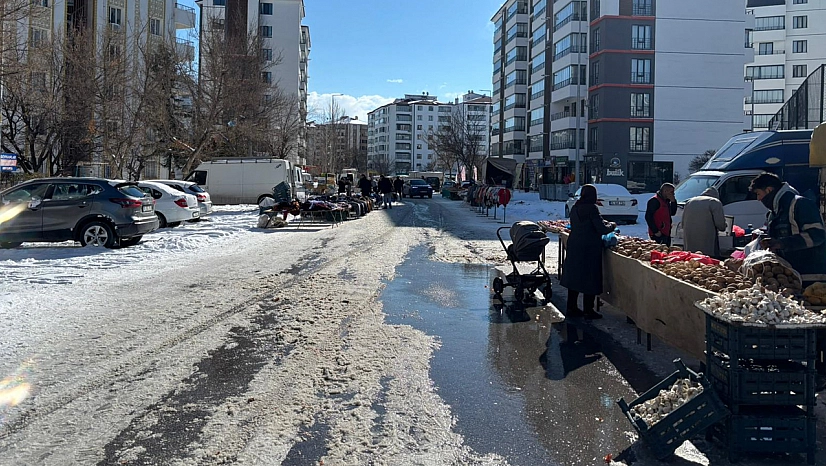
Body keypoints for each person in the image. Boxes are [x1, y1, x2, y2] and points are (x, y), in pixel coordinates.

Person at [749, 173, 826, 280]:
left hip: (811, 276)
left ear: (769, 190)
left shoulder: (800, 204)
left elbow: (817, 236)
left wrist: (782, 243)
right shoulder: (774, 213)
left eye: (758, 194)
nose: (758, 199)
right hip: (791, 275)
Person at [560, 184, 616, 319]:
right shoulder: (592, 208)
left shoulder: (575, 207)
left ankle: (571, 307)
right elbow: (601, 228)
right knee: (590, 277)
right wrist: (612, 225)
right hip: (589, 247)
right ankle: (588, 309)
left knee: (575, 277)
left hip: (575, 245)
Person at [682, 187, 727, 257]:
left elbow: (683, 223)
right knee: (707, 261)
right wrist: (725, 225)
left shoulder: (690, 201)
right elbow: (720, 225)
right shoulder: (714, 202)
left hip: (689, 241)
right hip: (707, 242)